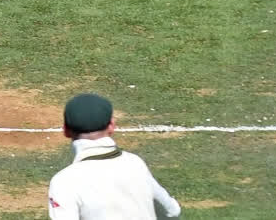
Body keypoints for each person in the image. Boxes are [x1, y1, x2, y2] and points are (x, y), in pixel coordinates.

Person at [47, 93, 181, 220]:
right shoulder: (135, 164)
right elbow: (172, 211)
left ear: (65, 130)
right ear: (111, 126)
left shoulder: (64, 182)